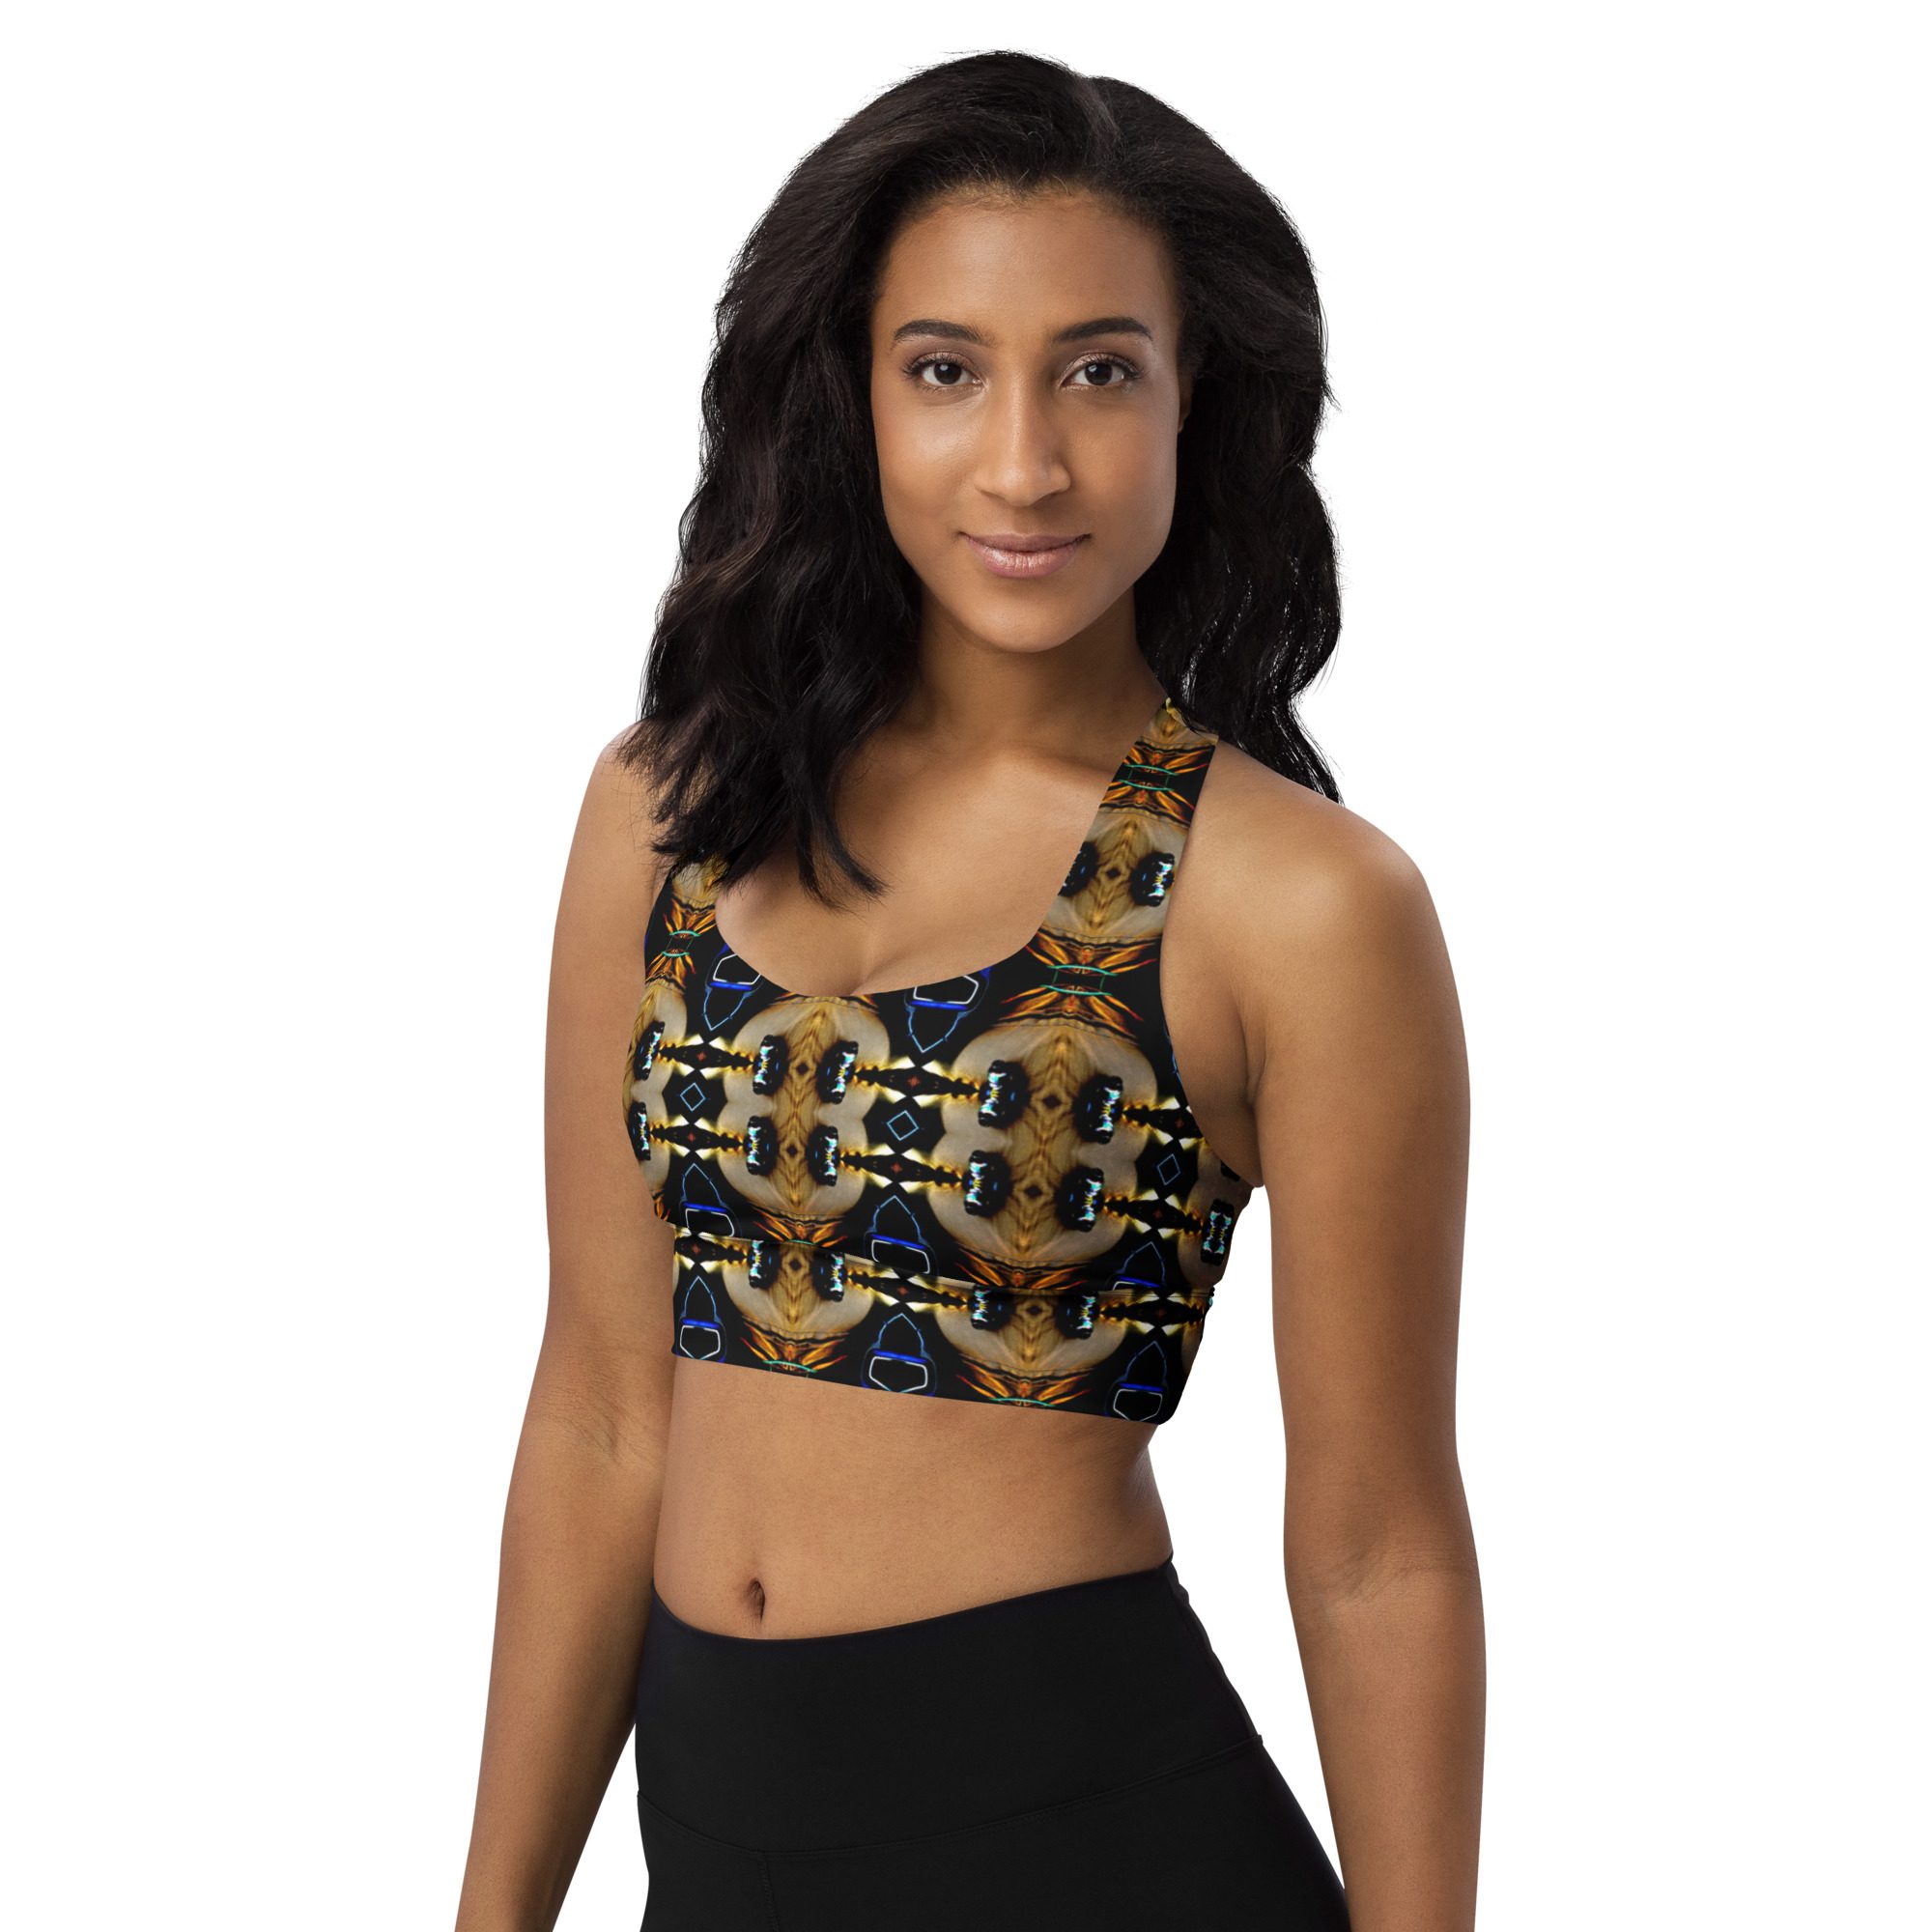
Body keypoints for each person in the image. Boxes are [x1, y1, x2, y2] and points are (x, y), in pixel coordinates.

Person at [454, 49, 1482, 1932]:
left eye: (1099, 372)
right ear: (847, 392)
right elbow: (600, 1415)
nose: (1023, 463)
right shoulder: (672, 810)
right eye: (945, 370)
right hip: (724, 1859)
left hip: (1096, 1847)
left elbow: (1375, 1546)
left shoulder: (1301, 903)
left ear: (1196, 398)